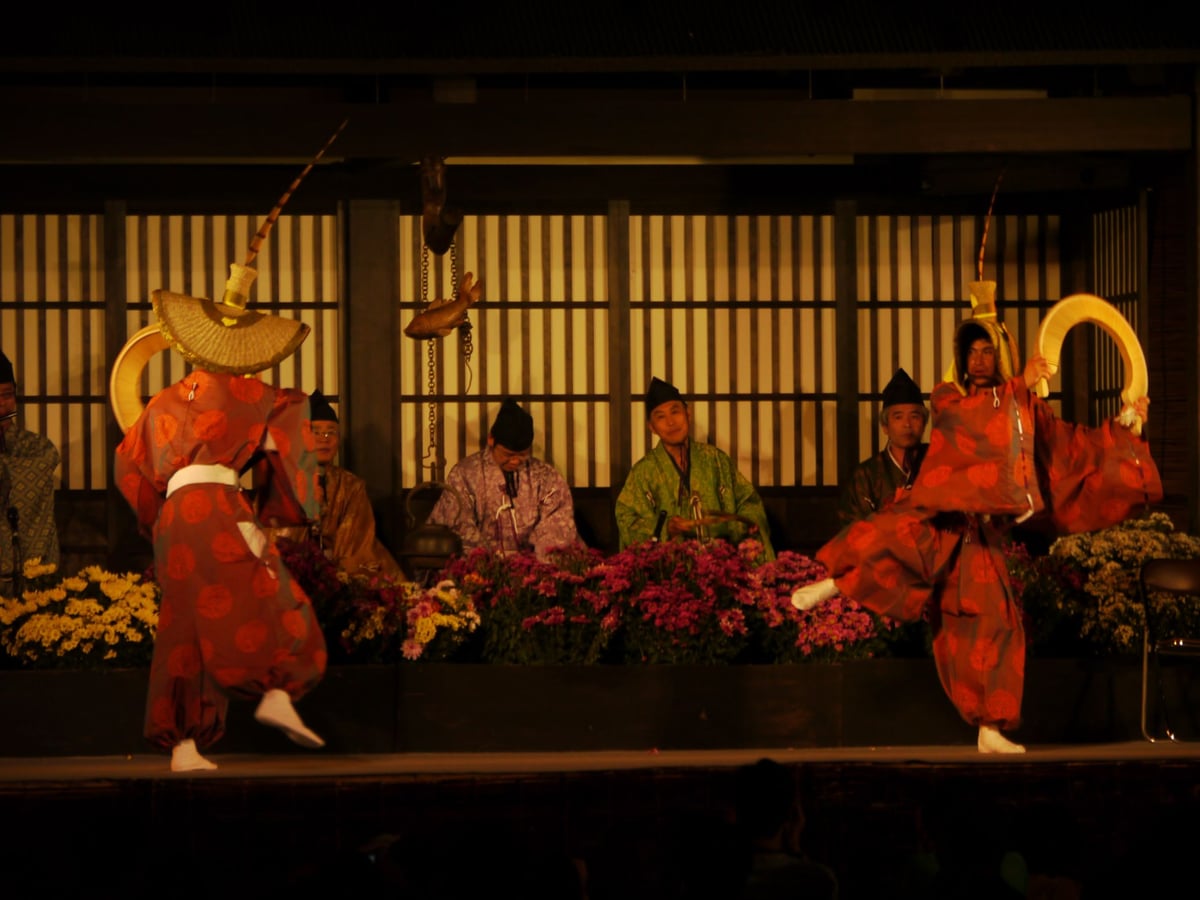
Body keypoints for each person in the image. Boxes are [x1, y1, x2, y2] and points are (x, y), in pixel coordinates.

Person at [792, 282, 1162, 753]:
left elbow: (1071, 447)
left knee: (996, 625)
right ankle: (839, 582)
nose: (981, 359)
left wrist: (1124, 424)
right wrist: (1019, 384)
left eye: (989, 351)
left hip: (978, 538)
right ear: (962, 359)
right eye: (974, 351)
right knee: (895, 534)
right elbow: (969, 423)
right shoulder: (950, 398)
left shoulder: (1024, 404)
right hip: (940, 514)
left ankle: (990, 727)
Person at [113, 262, 327, 772]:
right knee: (270, 587)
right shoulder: (251, 395)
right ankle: (277, 686)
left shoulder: (162, 401)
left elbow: (129, 464)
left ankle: (184, 743)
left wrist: (155, 522)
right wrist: (287, 499)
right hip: (218, 504)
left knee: (184, 624)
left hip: (174, 516)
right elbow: (296, 425)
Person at [615, 376, 775, 560]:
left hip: (724, 564)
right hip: (671, 573)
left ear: (687, 414)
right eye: (661, 416)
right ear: (652, 427)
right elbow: (626, 518)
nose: (671, 422)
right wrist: (666, 527)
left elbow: (749, 503)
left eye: (675, 412)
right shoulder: (642, 473)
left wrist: (732, 525)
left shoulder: (715, 459)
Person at [264, 389, 405, 581]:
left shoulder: (351, 486)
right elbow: (274, 537)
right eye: (317, 432)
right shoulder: (282, 481)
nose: (325, 439)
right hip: (291, 569)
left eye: (331, 433)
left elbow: (357, 539)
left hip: (339, 569)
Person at [427, 397, 581, 558]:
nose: (515, 461)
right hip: (478, 568)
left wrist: (532, 567)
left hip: (533, 567)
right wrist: (487, 564)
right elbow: (458, 524)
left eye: (522, 455)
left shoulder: (546, 477)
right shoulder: (465, 474)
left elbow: (557, 526)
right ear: (491, 440)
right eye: (508, 454)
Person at [0, 349, 61, 596]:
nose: (2, 404)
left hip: (31, 570)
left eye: (7, 396)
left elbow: (46, 461)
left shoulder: (37, 447)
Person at [838, 367, 929, 526]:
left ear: (924, 424)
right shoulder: (866, 475)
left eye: (914, 416)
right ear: (885, 426)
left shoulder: (938, 463)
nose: (907, 424)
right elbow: (853, 531)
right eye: (898, 417)